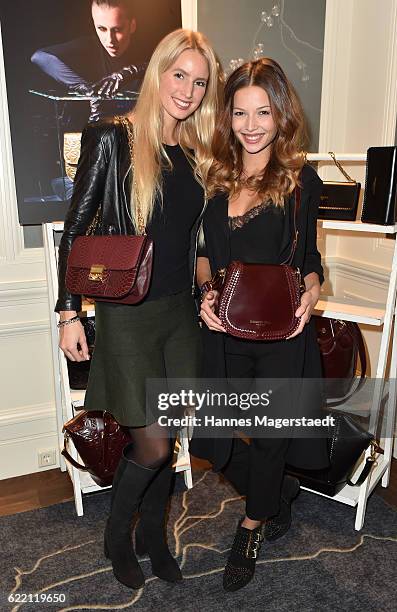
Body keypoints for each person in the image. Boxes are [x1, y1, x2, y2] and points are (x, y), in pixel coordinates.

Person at [55, 28, 221, 589]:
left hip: (180, 316)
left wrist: (207, 287)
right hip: (129, 314)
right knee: (149, 443)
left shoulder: (195, 154)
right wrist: (68, 314)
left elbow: (195, 241)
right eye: (180, 76)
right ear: (157, 73)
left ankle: (154, 535)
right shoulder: (113, 138)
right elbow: (74, 234)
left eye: (200, 82)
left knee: (170, 437)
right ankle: (116, 535)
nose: (189, 90)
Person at [193, 58, 329, 592]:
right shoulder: (215, 177)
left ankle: (251, 525)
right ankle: (279, 495)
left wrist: (314, 289)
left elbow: (310, 255)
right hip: (221, 325)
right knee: (215, 438)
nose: (251, 125)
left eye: (263, 113)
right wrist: (206, 290)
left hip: (278, 329)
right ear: (228, 116)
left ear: (280, 117)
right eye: (241, 113)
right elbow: (205, 256)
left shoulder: (299, 180)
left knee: (271, 437)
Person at [31, 0, 147, 121]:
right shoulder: (90, 46)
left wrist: (131, 72)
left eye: (117, 30)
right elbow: (39, 57)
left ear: (132, 25)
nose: (110, 40)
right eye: (102, 29)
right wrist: (85, 88)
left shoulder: (147, 48)